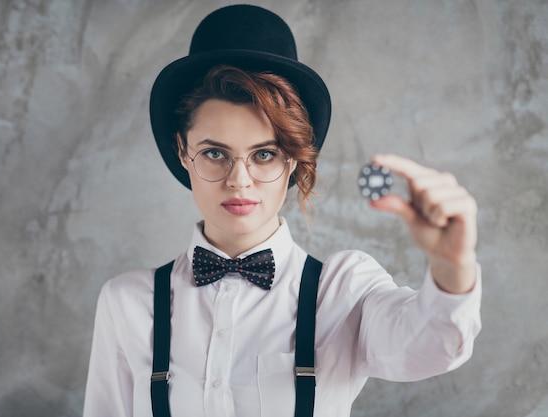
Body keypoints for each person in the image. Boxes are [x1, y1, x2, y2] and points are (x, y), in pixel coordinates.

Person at [83, 5, 481, 417]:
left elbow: (430, 347)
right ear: (183, 152)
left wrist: (453, 266)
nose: (239, 179)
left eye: (265, 154)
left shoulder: (343, 292)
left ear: (292, 159)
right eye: (215, 152)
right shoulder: (127, 302)